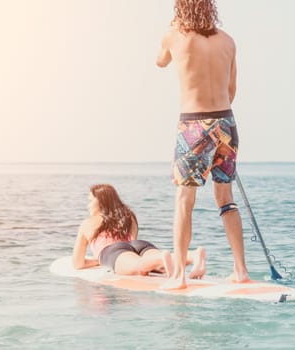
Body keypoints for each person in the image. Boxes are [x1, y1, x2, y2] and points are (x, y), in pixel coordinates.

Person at [156, 0, 250, 290]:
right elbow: (231, 91)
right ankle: (240, 271)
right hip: (226, 123)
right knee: (226, 198)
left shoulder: (175, 36)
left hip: (194, 125)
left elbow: (160, 61)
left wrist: (173, 31)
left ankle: (178, 277)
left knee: (185, 201)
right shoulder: (228, 41)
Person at [73, 184, 206, 278]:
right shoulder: (129, 216)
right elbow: (131, 244)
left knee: (138, 266)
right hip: (140, 245)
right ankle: (192, 255)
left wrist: (99, 260)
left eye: (90, 201)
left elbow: (78, 264)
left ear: (100, 202)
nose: (88, 205)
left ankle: (162, 258)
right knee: (156, 264)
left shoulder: (87, 224)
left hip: (112, 251)